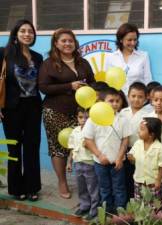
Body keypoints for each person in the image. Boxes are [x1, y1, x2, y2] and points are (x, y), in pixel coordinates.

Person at [39, 28, 95, 199]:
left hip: (80, 112)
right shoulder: (49, 63)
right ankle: (62, 181)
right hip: (55, 111)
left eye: (70, 41)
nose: (67, 44)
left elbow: (93, 82)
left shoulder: (82, 62)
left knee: (81, 145)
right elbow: (43, 87)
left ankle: (85, 182)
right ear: (56, 43)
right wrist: (69, 86)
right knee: (59, 147)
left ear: (75, 43)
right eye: (63, 41)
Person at [0, 19, 43, 201]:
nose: (27, 34)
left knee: (32, 148)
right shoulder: (4, 53)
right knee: (14, 149)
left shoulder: (38, 57)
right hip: (11, 108)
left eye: (30, 31)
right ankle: (16, 188)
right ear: (16, 34)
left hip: (33, 106)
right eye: (23, 31)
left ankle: (32, 187)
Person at [83, 87, 131, 214]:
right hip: (100, 163)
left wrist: (120, 158)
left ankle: (120, 213)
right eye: (111, 101)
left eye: (117, 101)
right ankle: (107, 213)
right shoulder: (92, 119)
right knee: (104, 188)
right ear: (102, 102)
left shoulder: (123, 119)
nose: (115, 104)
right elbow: (88, 140)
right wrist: (99, 155)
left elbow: (125, 140)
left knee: (119, 188)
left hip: (117, 162)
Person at [68, 107, 99, 221]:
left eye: (87, 117)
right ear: (77, 118)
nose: (84, 120)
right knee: (81, 186)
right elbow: (72, 148)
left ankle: (94, 208)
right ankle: (84, 205)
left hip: (90, 163)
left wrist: (90, 145)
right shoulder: (75, 131)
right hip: (78, 163)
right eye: (81, 117)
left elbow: (97, 148)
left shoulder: (93, 132)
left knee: (93, 187)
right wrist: (69, 163)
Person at [120, 82, 149, 198]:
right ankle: (127, 201)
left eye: (140, 97)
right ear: (128, 96)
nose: (136, 99)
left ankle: (136, 199)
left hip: (139, 150)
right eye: (133, 96)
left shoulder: (147, 114)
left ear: (146, 98)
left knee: (137, 176)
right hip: (123, 148)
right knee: (124, 176)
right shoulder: (123, 112)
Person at [105, 23, 152, 96]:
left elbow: (148, 80)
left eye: (135, 40)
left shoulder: (143, 56)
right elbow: (108, 82)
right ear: (121, 40)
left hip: (138, 99)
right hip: (118, 100)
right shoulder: (110, 57)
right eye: (129, 40)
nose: (133, 43)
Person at [127, 117, 162, 201]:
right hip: (139, 181)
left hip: (152, 182)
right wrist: (130, 156)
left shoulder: (159, 147)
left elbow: (161, 166)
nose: (138, 131)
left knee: (154, 204)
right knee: (139, 203)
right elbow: (131, 154)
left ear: (151, 134)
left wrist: (158, 180)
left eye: (142, 129)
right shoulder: (137, 143)